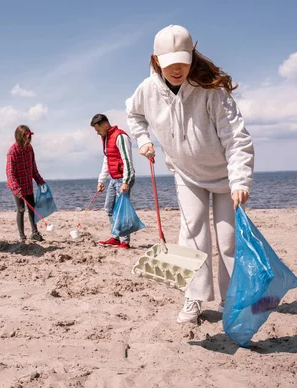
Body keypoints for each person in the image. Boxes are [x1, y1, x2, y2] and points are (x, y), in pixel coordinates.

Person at [125, 25, 255, 323]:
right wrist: (144, 140)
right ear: (156, 60)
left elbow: (236, 137)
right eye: (170, 63)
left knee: (228, 240)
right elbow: (134, 114)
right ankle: (193, 299)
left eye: (183, 61)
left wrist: (240, 180)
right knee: (192, 232)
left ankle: (231, 300)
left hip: (225, 179)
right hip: (186, 174)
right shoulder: (147, 90)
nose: (177, 69)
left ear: (192, 55)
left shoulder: (211, 90)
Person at [91, 114, 136, 249]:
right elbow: (107, 160)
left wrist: (126, 182)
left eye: (98, 130)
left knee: (121, 211)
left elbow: (127, 160)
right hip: (113, 179)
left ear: (105, 125)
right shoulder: (105, 139)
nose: (98, 133)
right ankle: (116, 238)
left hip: (123, 179)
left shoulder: (120, 137)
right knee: (109, 208)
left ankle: (125, 242)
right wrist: (101, 180)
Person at [6, 125, 46, 243]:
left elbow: (33, 168)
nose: (29, 139)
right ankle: (22, 237)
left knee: (32, 208)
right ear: (20, 137)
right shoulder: (12, 152)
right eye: (27, 137)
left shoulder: (30, 149)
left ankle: (34, 232)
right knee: (21, 209)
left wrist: (40, 181)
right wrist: (15, 188)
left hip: (28, 184)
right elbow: (10, 173)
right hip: (17, 187)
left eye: (29, 137)